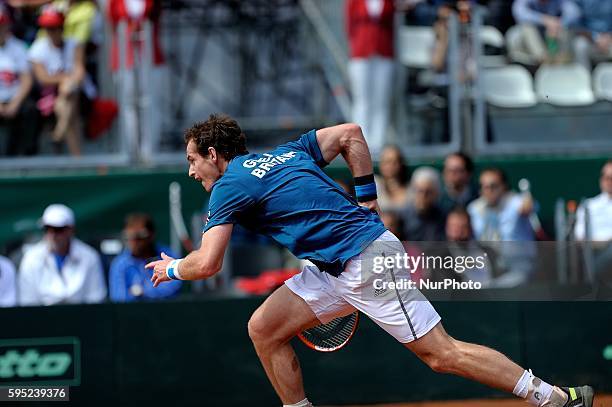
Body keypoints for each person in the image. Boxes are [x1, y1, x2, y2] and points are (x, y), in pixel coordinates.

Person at [146, 114, 593, 407]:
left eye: (191, 161)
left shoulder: (227, 185)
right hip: (329, 270)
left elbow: (207, 264)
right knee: (263, 328)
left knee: (442, 355)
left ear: (212, 154)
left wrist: (170, 267)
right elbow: (351, 134)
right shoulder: (286, 151)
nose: (190, 172)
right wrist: (368, 200)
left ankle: (555, 398)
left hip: (366, 262)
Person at [29, 5, 93, 156]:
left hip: (78, 93)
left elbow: (79, 72)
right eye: (48, 28)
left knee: (68, 96)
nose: (51, 32)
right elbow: (42, 78)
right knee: (68, 106)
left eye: (55, 27)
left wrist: (68, 84)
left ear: (62, 27)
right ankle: (78, 158)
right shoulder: (38, 48)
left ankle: (59, 133)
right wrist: (65, 81)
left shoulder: (74, 44)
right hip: (50, 98)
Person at [18, 203, 107, 305]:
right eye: (47, 229)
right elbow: (28, 302)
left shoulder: (90, 257)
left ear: (71, 230)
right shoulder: (31, 258)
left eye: (58, 229)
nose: (52, 235)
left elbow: (95, 299)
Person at [468, 168, 537, 287]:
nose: (489, 191)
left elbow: (529, 207)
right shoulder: (474, 209)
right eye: (485, 187)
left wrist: (528, 204)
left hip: (517, 269)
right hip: (487, 269)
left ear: (504, 187)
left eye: (493, 186)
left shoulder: (516, 203)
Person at [346, 0, 395, 156]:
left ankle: (378, 143)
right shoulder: (354, 1)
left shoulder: (388, 1)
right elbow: (349, 26)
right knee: (362, 99)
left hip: (384, 51)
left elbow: (392, 24)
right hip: (361, 52)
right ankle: (360, 142)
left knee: (381, 100)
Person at [109, 213, 182, 302]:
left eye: (140, 236)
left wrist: (142, 291)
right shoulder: (120, 264)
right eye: (129, 237)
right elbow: (119, 298)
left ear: (151, 235)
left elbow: (174, 288)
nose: (134, 242)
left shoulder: (167, 256)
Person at [0, 4, 38, 156]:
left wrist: (15, 103)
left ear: (7, 26)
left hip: (15, 99)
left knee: (31, 110)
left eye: (1, 25)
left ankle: (26, 160)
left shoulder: (18, 47)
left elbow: (26, 79)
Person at [509, 0, 579, 65]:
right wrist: (544, 20)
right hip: (532, 42)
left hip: (553, 36)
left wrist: (557, 24)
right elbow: (519, 13)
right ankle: (542, 58)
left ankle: (560, 59)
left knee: (566, 29)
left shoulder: (560, 1)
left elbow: (574, 13)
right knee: (526, 27)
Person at [401, 166, 447, 241]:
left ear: (436, 193)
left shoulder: (444, 217)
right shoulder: (402, 216)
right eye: (420, 191)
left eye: (428, 192)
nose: (423, 196)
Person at [572, 0, 612, 71]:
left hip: (609, 40)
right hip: (590, 39)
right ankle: (584, 80)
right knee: (580, 45)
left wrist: (609, 37)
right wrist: (595, 38)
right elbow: (575, 25)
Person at [375, 145, 411, 211]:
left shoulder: (411, 191)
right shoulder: (374, 187)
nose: (390, 166)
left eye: (395, 162)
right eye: (386, 162)